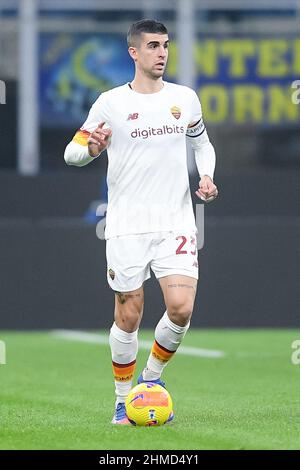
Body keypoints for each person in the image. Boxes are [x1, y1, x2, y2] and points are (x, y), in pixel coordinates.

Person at [64, 19, 218, 425]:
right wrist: (92, 149)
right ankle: (121, 399)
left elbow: (202, 143)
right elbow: (72, 153)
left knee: (181, 308)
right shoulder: (110, 103)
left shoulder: (184, 98)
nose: (162, 53)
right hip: (127, 223)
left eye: (165, 45)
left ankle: (151, 380)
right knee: (129, 315)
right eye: (153, 46)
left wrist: (206, 174)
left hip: (176, 221)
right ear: (134, 52)